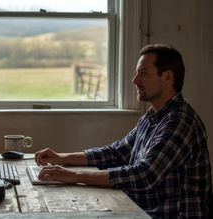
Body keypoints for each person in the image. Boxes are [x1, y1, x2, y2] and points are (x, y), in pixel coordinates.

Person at [35, 44, 212, 218]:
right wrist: (61, 158)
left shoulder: (180, 122)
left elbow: (145, 175)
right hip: (143, 211)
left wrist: (74, 175)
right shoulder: (152, 117)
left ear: (167, 77)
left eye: (143, 74)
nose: (135, 80)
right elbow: (117, 152)